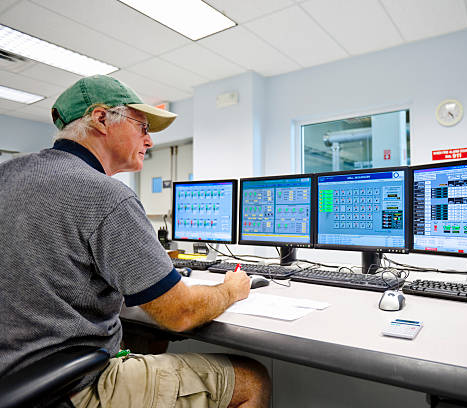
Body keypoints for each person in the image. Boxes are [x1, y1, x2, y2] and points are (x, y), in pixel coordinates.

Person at [0, 75, 270, 408]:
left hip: (12, 375)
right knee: (252, 378)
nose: (150, 141)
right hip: (69, 386)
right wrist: (233, 289)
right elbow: (180, 313)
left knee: (149, 338)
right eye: (142, 127)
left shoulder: (8, 174)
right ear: (101, 119)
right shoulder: (106, 195)